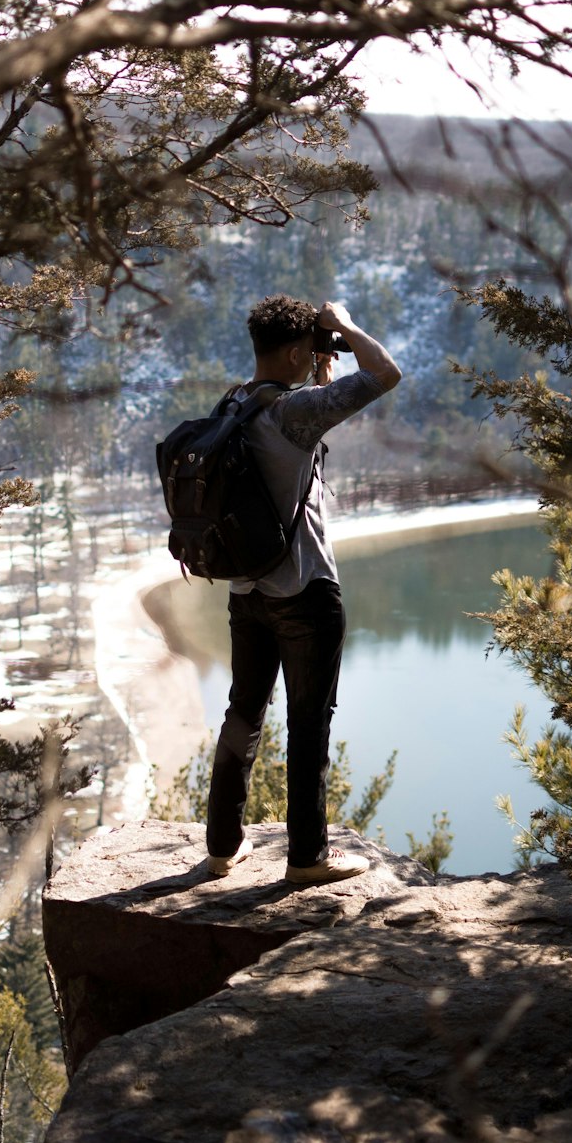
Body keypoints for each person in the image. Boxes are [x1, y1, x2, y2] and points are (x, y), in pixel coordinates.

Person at [205, 293, 402, 886]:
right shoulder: (298, 412)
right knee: (309, 723)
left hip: (247, 592)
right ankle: (307, 860)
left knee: (243, 713)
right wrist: (342, 323)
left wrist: (318, 373)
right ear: (297, 350)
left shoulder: (234, 401)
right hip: (306, 593)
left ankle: (220, 849)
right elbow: (386, 373)